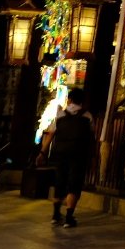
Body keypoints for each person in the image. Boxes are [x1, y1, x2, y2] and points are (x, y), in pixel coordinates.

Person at [37, 87, 94, 228]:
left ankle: (56, 215)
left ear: (69, 100)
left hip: (60, 153)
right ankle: (69, 218)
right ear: (82, 101)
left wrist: (42, 152)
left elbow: (50, 135)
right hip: (78, 155)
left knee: (59, 182)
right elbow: (91, 137)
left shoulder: (60, 115)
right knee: (74, 184)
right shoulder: (88, 116)